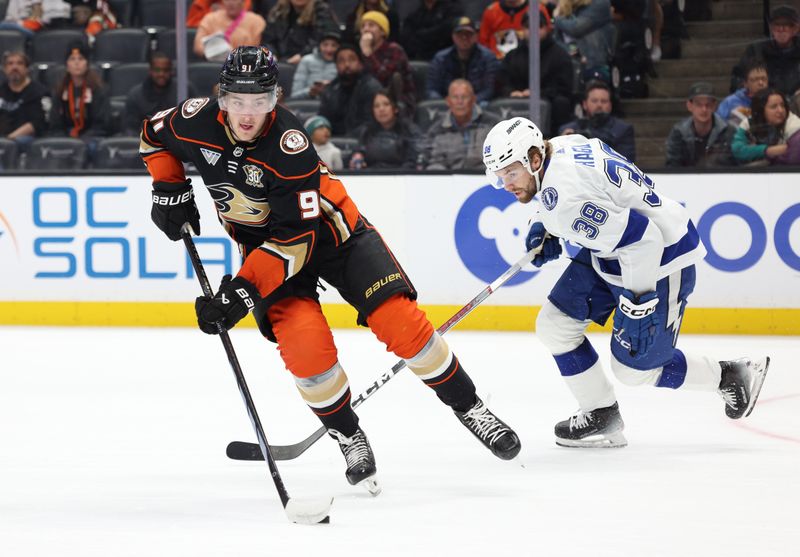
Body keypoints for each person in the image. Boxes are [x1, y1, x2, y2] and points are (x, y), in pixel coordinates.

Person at [140, 46, 521, 493]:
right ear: (221, 97)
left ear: (276, 99)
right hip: (269, 250)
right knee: (306, 353)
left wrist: (240, 293)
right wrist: (169, 187)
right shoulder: (194, 120)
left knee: (401, 324)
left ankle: (470, 406)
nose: (248, 114)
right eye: (238, 101)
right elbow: (152, 134)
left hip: (335, 238)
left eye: (260, 102)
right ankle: (349, 435)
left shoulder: (290, 144)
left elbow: (296, 242)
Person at [481, 115, 770, 448]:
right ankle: (600, 413)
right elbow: (582, 197)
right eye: (500, 177)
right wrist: (543, 225)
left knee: (633, 370)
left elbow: (643, 239)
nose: (507, 185)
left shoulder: (565, 200)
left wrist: (638, 302)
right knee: (554, 325)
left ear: (534, 159)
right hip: (615, 251)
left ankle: (730, 377)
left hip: (661, 261)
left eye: (511, 174)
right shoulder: (561, 145)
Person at [498, 5, 573, 132]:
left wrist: (538, 93)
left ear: (547, 28)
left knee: (561, 103)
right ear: (522, 29)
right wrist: (511, 92)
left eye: (539, 26)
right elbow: (502, 81)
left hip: (549, 104)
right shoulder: (512, 56)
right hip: (516, 104)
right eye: (528, 27)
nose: (533, 30)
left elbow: (563, 87)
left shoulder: (560, 55)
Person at [425, 78, 501, 170]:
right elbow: (432, 161)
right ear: (448, 101)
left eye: (464, 97)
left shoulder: (493, 124)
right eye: (455, 97)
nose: (460, 102)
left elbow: (501, 157)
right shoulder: (437, 130)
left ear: (473, 99)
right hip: (448, 179)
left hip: (485, 177)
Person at [426, 16, 500, 106]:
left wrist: (468, 102)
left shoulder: (488, 58)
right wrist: (447, 102)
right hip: (448, 104)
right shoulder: (440, 59)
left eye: (468, 34)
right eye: (460, 34)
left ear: (476, 36)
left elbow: (489, 90)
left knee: (485, 104)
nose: (464, 38)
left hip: (477, 102)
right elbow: (431, 89)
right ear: (453, 36)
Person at [730, 5, 800, 96]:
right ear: (771, 28)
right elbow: (738, 78)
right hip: (763, 102)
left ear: (796, 29)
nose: (781, 29)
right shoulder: (755, 50)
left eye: (786, 25)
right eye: (777, 24)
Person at [559, 80, 636, 161]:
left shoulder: (623, 130)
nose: (599, 105)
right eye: (594, 101)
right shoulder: (568, 129)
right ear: (584, 104)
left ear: (610, 105)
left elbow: (627, 163)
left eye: (604, 101)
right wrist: (562, 144)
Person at [49, 42, 111, 142]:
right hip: (66, 137)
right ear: (67, 66)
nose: (76, 63)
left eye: (81, 59)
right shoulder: (60, 91)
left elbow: (101, 124)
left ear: (87, 64)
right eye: (72, 59)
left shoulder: (99, 90)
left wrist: (83, 140)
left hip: (92, 136)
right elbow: (55, 123)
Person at [358, 10, 416, 117]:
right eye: (363, 26)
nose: (366, 29)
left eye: (371, 25)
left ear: (383, 32)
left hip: (398, 102)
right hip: (369, 102)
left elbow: (383, 79)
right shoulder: (360, 52)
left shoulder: (394, 50)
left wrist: (368, 53)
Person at [665, 82, 737, 168]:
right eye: (699, 104)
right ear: (689, 106)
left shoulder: (728, 131)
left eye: (708, 105)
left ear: (714, 106)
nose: (704, 109)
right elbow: (672, 166)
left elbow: (734, 164)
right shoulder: (679, 132)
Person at [123, 53, 198, 135]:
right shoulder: (135, 95)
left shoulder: (185, 89)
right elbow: (131, 129)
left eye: (166, 70)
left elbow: (194, 122)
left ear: (171, 71)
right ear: (150, 71)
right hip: (146, 142)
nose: (161, 74)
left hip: (179, 140)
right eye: (157, 70)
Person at [318, 44, 383, 136]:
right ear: (336, 66)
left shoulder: (371, 87)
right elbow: (323, 119)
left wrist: (347, 139)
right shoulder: (331, 89)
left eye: (352, 60)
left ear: (360, 64)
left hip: (363, 140)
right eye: (341, 61)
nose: (347, 65)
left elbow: (372, 123)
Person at [351, 90, 423, 169]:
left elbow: (412, 162)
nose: (381, 109)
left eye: (386, 104)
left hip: (401, 177)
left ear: (395, 108)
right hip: (370, 177)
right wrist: (357, 155)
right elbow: (359, 151)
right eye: (376, 106)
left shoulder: (410, 130)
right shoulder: (367, 131)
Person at [731, 87, 800, 166]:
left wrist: (753, 151)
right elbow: (738, 150)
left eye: (782, 105)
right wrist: (767, 150)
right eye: (774, 107)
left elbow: (794, 155)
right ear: (761, 110)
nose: (780, 110)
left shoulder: (794, 125)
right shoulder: (749, 123)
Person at [262, 0, 340, 65]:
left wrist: (302, 55)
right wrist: (272, 55)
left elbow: (321, 40)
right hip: (280, 61)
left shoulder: (322, 12)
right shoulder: (278, 11)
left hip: (310, 61)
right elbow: (268, 39)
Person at [552, 0, 615, 77]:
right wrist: (572, 52)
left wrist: (558, 18)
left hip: (595, 66)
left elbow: (576, 29)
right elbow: (557, 39)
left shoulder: (600, 3)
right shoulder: (564, 4)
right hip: (569, 64)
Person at [0, 51, 48, 149]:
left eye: (19, 63)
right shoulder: (1, 90)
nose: (14, 67)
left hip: (26, 139)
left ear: (27, 69)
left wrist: (8, 140)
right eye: (10, 63)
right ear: (4, 69)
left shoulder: (38, 91)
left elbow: (36, 124)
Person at [193, 0, 266, 61]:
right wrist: (215, 52)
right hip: (214, 64)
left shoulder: (256, 21)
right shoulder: (210, 19)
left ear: (243, 1)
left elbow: (258, 48)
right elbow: (198, 47)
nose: (231, 3)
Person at [289, 30, 340, 99]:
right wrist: (311, 91)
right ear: (319, 46)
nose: (329, 49)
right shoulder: (306, 60)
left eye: (334, 45)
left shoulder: (342, 63)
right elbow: (294, 95)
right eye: (325, 45)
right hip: (306, 104)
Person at [717, 60, 769, 127]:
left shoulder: (774, 100)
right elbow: (718, 125)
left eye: (764, 79)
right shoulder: (730, 102)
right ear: (745, 83)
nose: (761, 83)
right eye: (755, 79)